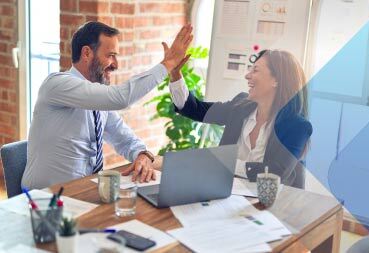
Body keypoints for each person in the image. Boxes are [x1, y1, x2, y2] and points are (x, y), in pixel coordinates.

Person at [21, 21, 193, 189]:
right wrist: (168, 63)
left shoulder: (97, 99)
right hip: (43, 199)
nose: (116, 65)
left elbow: (124, 139)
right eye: (110, 55)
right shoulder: (57, 84)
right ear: (87, 53)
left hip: (83, 192)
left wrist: (142, 154)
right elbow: (120, 98)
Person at [169, 49, 312, 188]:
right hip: (228, 196)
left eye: (255, 70)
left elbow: (276, 172)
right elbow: (195, 109)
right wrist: (175, 74)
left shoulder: (297, 126)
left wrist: (225, 163)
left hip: (274, 205)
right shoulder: (241, 107)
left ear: (276, 80)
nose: (247, 76)